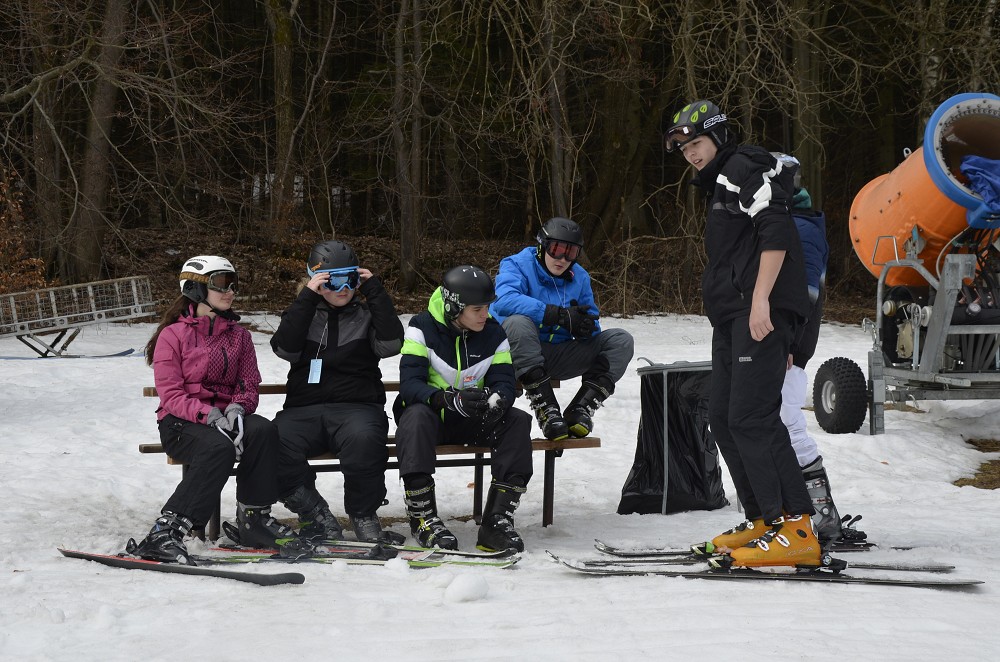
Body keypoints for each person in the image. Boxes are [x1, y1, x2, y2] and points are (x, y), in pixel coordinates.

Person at [664, 100, 819, 568]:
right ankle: (762, 520)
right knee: (726, 421)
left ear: (719, 137)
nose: (691, 153)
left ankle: (795, 526)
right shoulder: (719, 181)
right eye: (685, 147)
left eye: (697, 143)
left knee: (754, 418)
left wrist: (761, 303)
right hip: (734, 316)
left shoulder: (740, 169)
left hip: (757, 313)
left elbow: (775, 233)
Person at [128, 255, 296, 564]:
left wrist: (237, 408)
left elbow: (249, 382)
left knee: (263, 430)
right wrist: (208, 415)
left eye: (234, 284)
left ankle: (253, 520)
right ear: (194, 288)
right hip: (181, 422)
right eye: (221, 283)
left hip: (227, 419)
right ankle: (166, 532)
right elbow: (171, 394)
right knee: (218, 448)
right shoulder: (173, 335)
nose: (230, 290)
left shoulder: (240, 336)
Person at [270, 240, 405, 544]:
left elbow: (392, 345)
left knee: (364, 440)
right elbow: (284, 349)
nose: (343, 288)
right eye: (333, 281)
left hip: (357, 407)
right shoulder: (302, 314)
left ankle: (363, 514)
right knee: (272, 442)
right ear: (316, 281)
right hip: (303, 410)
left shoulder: (368, 316)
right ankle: (314, 513)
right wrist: (306, 299)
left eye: (351, 280)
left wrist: (376, 292)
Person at [394, 265, 534, 552]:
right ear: (453, 307)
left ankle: (496, 522)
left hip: (475, 418)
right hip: (436, 417)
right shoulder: (421, 327)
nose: (485, 314)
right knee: (415, 417)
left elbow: (505, 381)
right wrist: (447, 399)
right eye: (477, 309)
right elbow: (409, 385)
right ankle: (423, 518)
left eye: (487, 307)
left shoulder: (494, 333)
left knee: (517, 420)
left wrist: (497, 400)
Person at [772, 154, 867, 550]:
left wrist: (790, 345)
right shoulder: (788, 221)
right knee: (778, 424)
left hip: (790, 348)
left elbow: (805, 295)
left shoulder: (802, 226)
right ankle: (793, 515)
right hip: (779, 343)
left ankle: (822, 518)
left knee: (789, 423)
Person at [489, 217, 635, 440]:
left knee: (621, 340)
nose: (562, 259)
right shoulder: (517, 264)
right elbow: (503, 301)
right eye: (556, 249)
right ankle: (547, 410)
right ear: (543, 246)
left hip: (560, 354)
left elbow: (592, 319)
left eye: (571, 253)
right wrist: (554, 314)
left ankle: (581, 409)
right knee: (517, 323)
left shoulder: (581, 278)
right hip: (518, 355)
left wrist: (585, 326)